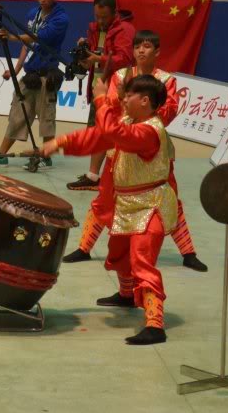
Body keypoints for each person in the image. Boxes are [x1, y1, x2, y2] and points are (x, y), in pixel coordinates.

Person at [43, 75, 177, 346]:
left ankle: (155, 325)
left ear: (145, 101)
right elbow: (100, 136)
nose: (123, 99)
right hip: (128, 204)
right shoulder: (130, 121)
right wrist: (62, 143)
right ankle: (127, 297)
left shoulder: (151, 130)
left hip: (150, 206)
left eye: (128, 96)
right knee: (120, 252)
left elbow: (117, 134)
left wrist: (102, 100)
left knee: (142, 261)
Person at [61, 31, 209, 273]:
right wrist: (123, 111)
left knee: (170, 200)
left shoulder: (167, 80)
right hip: (120, 152)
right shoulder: (120, 75)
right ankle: (84, 248)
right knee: (104, 201)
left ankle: (188, 253)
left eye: (147, 46)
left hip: (152, 151)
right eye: (138, 46)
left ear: (157, 52)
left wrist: (132, 117)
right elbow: (109, 109)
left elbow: (168, 113)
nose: (141, 50)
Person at [0, 0, 69, 170]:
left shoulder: (60, 18)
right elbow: (27, 44)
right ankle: (1, 154)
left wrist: (11, 36)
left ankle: (46, 155)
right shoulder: (34, 13)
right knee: (17, 111)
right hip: (30, 74)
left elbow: (38, 37)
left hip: (48, 74)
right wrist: (16, 69)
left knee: (46, 118)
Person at [66, 0, 135, 192]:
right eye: (97, 16)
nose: (100, 21)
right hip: (98, 87)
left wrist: (96, 58)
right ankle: (94, 175)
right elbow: (95, 57)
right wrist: (86, 56)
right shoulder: (94, 29)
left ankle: (114, 178)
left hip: (117, 92)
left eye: (104, 17)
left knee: (113, 135)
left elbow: (124, 58)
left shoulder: (125, 30)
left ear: (115, 13)